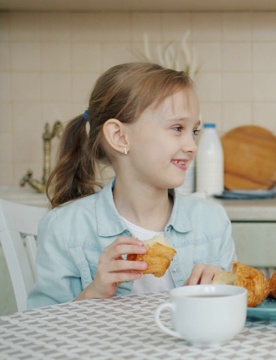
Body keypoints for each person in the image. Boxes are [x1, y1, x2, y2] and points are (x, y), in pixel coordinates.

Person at [28, 63, 236, 308]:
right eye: (177, 128)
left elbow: (234, 315)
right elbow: (43, 329)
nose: (192, 145)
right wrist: (93, 293)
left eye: (194, 131)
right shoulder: (64, 228)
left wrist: (223, 292)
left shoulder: (212, 221)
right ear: (119, 136)